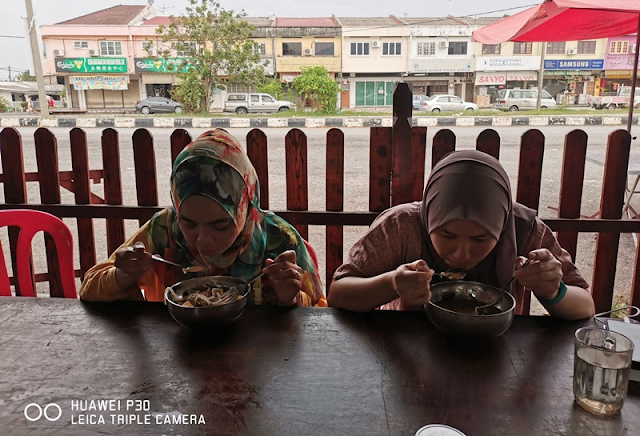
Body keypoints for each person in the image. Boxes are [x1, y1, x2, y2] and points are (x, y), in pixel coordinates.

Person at [328, 150, 595, 320]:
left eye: (480, 239)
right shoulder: (401, 226)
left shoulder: (524, 231)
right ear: (430, 217)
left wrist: (553, 290)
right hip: (407, 355)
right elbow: (339, 293)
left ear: (501, 226)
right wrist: (392, 284)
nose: (461, 254)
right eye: (447, 235)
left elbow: (585, 306)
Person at [80, 129, 326, 307]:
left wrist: (291, 298)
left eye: (220, 224)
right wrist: (124, 274)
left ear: (244, 207)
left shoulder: (278, 239)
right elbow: (89, 289)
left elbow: (320, 312)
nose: (203, 240)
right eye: (188, 223)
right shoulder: (165, 228)